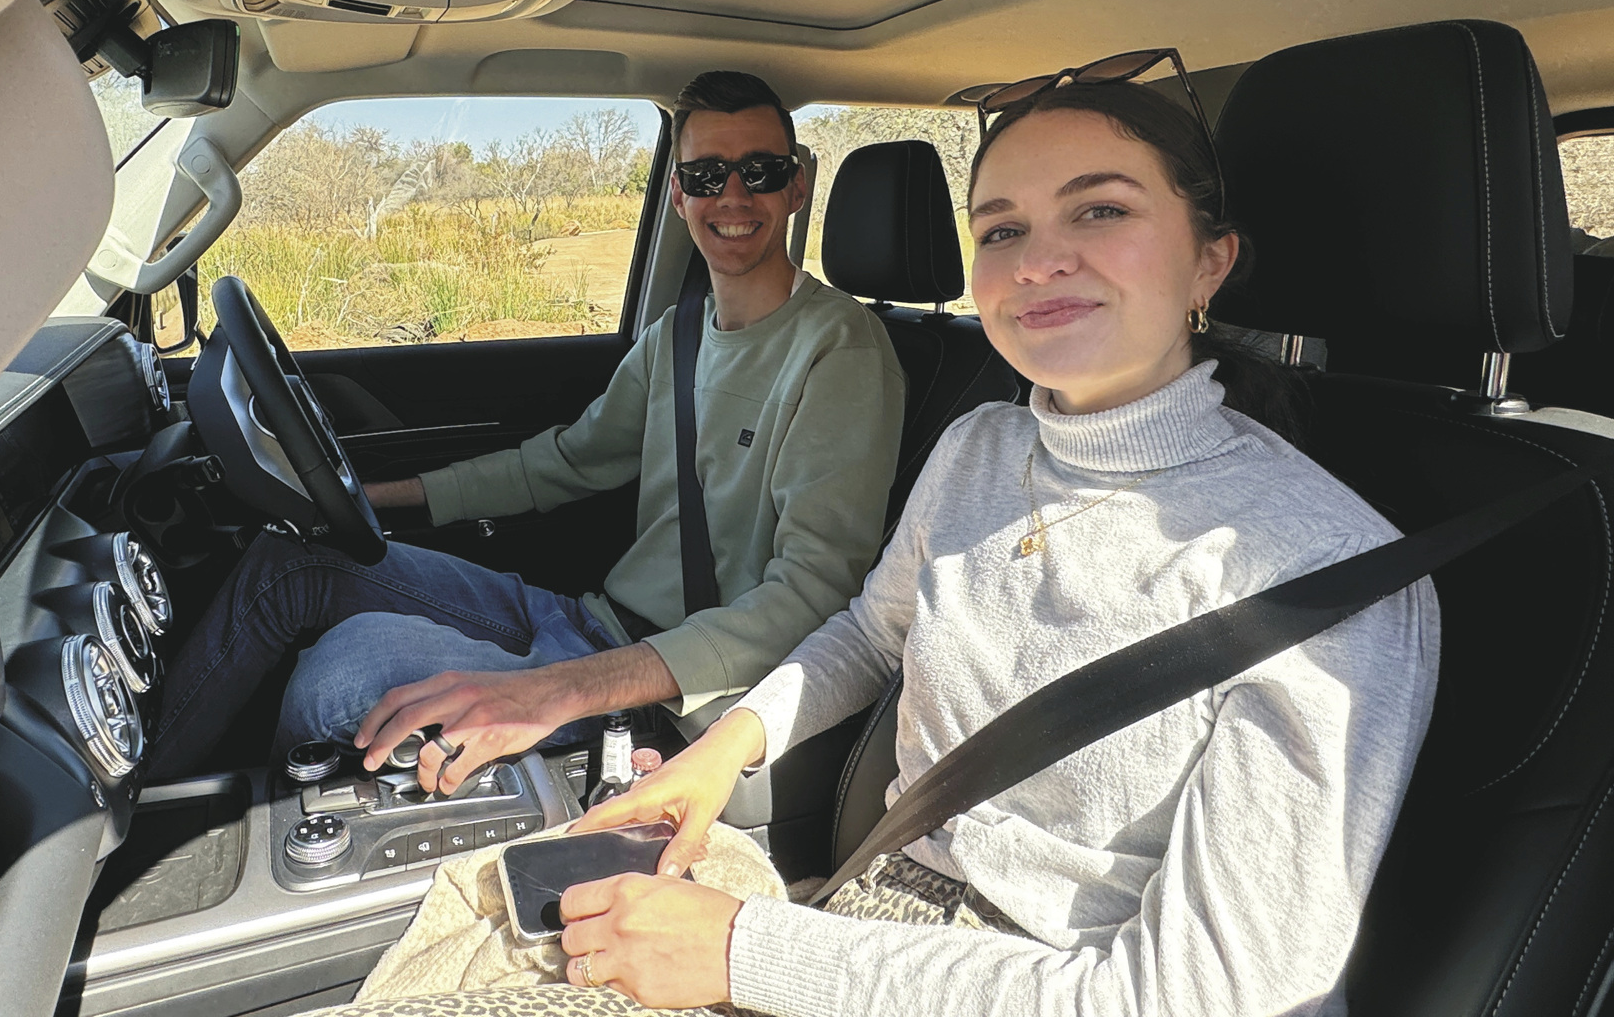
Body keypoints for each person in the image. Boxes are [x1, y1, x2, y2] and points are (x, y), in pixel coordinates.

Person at [342, 73, 1440, 1016]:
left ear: (1210, 262)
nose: (1038, 262)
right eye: (1002, 230)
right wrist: (723, 752)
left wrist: (745, 951)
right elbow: (871, 632)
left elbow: (1206, 996)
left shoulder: (1325, 581)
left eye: (1100, 212)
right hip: (863, 916)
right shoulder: (981, 446)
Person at [144, 71, 906, 786]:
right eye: (707, 175)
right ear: (678, 194)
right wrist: (374, 496)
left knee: (336, 683)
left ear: (797, 185)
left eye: (760, 171)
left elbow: (813, 595)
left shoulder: (840, 350)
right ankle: (134, 807)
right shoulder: (677, 334)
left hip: (673, 688)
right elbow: (564, 463)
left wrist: (562, 689)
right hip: (590, 621)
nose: (733, 195)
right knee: (291, 562)